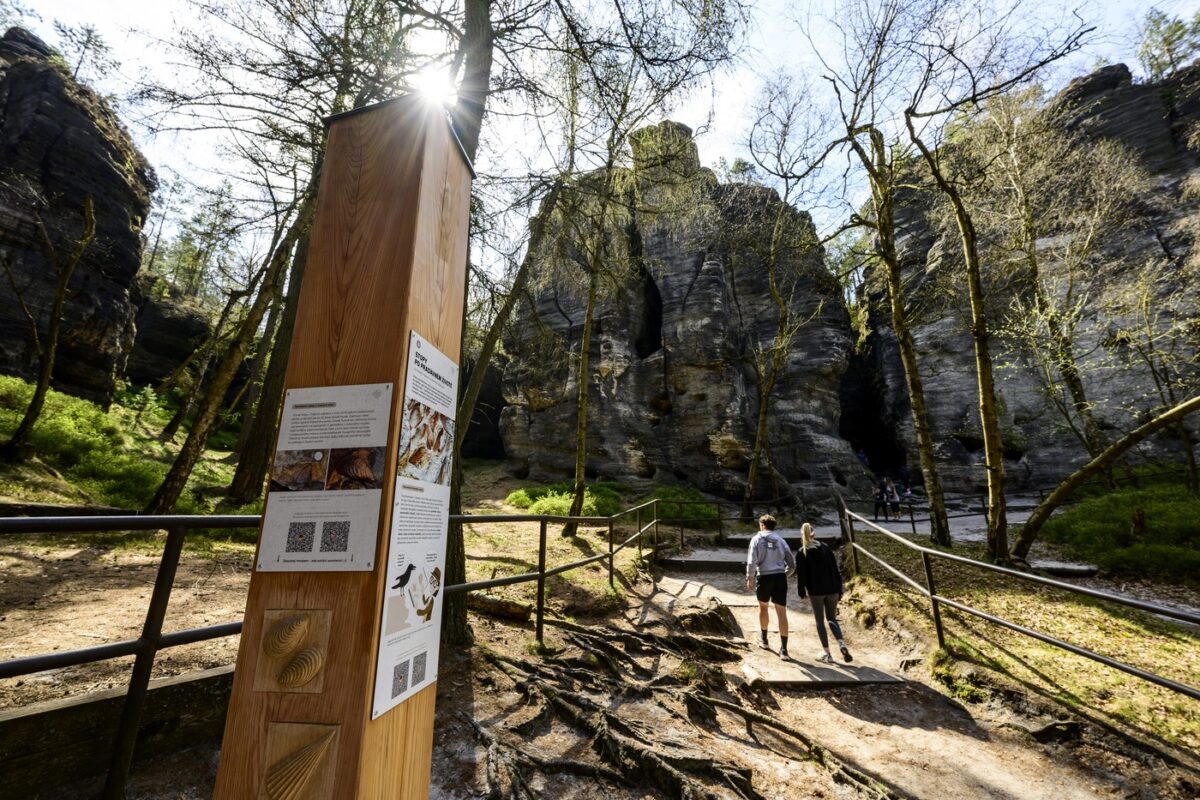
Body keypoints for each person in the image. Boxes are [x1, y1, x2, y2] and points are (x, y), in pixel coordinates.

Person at [794, 522, 852, 663]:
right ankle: (841, 643)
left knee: (820, 621)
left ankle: (827, 654)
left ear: (802, 535)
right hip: (832, 589)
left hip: (816, 591)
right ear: (814, 534)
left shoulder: (802, 552)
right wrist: (839, 588)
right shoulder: (825, 548)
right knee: (831, 618)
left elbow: (801, 575)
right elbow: (835, 569)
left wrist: (801, 592)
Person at [745, 514, 796, 659]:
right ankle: (784, 650)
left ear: (762, 525)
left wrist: (750, 577)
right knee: (782, 612)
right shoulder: (781, 540)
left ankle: (765, 640)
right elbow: (792, 564)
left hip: (764, 577)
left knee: (763, 607)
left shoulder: (756, 539)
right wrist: (784, 574)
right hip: (779, 577)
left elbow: (751, 561)